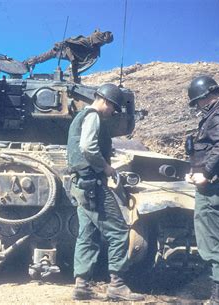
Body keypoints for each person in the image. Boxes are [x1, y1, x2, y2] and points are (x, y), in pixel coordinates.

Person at [67, 83, 144, 301]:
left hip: (82, 184)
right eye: (113, 108)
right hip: (93, 183)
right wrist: (106, 167)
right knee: (119, 230)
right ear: (106, 101)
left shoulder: (80, 117)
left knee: (88, 234)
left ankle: (81, 285)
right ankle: (117, 285)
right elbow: (88, 148)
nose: (113, 113)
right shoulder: (92, 116)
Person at [185, 75, 219, 305]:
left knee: (216, 244)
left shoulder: (218, 115)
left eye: (197, 102)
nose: (197, 107)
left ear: (204, 97)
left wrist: (205, 172)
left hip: (214, 188)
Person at [23, 29, 113, 82]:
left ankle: (30, 62)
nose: (103, 44)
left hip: (71, 51)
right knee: (46, 56)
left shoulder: (94, 44)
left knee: (45, 57)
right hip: (65, 48)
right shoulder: (92, 39)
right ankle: (29, 62)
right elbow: (71, 46)